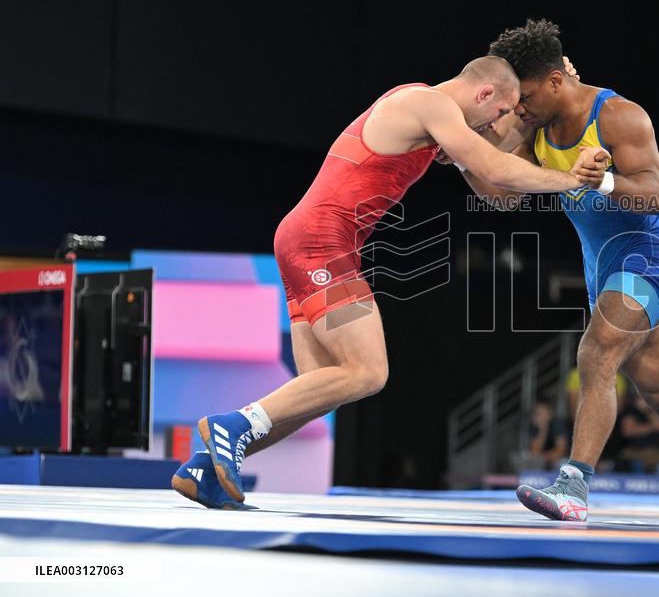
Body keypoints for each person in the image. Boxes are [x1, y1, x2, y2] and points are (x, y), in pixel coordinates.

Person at [171, 56, 607, 508]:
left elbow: (498, 195)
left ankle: (204, 470)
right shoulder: (429, 104)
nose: (496, 124)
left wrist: (549, 107)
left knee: (320, 388)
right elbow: (498, 168)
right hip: (322, 242)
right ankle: (234, 425)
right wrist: (571, 179)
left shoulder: (433, 123)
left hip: (308, 240)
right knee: (368, 371)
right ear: (483, 94)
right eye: (499, 112)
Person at [476, 19, 659, 525]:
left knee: (595, 353)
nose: (517, 109)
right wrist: (463, 157)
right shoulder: (537, 127)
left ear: (555, 81)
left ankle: (574, 486)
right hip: (602, 267)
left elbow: (658, 196)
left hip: (646, 259)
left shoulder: (619, 116)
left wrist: (606, 181)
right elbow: (502, 197)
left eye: (522, 97)